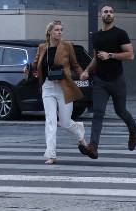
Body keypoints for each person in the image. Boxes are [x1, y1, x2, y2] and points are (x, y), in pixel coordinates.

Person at [79, 5, 136, 160]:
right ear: (101, 15)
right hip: (100, 81)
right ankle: (93, 147)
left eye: (111, 12)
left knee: (121, 111)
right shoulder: (96, 37)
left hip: (117, 79)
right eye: (106, 12)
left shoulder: (120, 34)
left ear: (114, 16)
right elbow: (96, 58)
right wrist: (86, 71)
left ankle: (133, 130)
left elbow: (130, 55)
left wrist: (110, 55)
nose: (109, 14)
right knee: (98, 113)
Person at [25, 20, 87, 165]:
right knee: (50, 121)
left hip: (64, 87)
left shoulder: (67, 46)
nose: (59, 32)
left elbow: (75, 64)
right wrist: (28, 69)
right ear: (50, 32)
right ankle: (51, 154)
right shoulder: (42, 48)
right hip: (47, 87)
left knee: (64, 122)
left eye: (61, 30)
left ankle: (79, 130)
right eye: (57, 30)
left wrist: (83, 74)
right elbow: (35, 66)